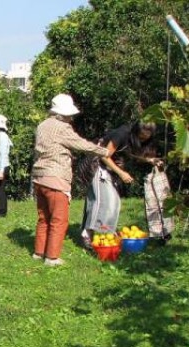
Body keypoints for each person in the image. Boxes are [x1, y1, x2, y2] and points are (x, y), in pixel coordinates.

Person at [32, 93, 112, 266]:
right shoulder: (62, 128)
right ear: (64, 114)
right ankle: (52, 257)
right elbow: (81, 144)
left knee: (43, 217)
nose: (71, 119)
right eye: (70, 115)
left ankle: (39, 252)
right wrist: (104, 151)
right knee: (58, 219)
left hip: (39, 176)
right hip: (56, 177)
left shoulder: (42, 125)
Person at [80, 121, 151, 246]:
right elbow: (104, 155)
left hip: (108, 169)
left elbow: (130, 153)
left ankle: (106, 233)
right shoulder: (122, 133)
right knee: (102, 200)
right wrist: (121, 173)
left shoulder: (132, 139)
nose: (142, 140)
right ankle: (87, 234)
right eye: (141, 137)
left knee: (115, 202)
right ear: (135, 132)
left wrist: (149, 160)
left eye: (145, 139)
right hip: (96, 165)